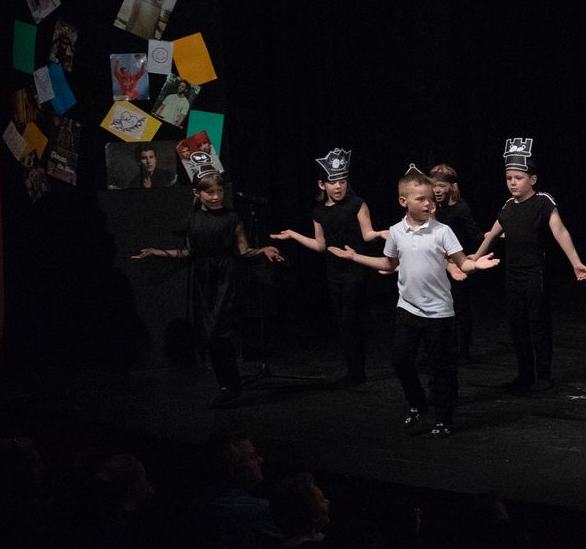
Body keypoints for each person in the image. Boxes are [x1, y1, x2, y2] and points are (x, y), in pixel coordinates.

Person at [330, 167, 497, 437]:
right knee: (400, 360)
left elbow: (462, 262)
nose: (429, 203)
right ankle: (417, 404)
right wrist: (355, 257)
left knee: (440, 368)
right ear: (403, 201)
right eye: (421, 199)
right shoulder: (396, 232)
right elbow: (388, 264)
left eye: (430, 198)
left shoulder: (443, 231)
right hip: (408, 309)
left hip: (439, 313)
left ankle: (443, 418)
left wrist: (476, 264)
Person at [131, 153, 283, 407]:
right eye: (209, 193)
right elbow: (189, 253)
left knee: (221, 332)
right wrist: (157, 252)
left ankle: (231, 384)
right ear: (197, 193)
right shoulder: (193, 220)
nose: (215, 197)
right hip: (204, 282)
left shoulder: (232, 218)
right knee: (209, 334)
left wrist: (263, 250)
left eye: (219, 192)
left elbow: (243, 251)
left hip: (226, 279)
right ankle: (227, 384)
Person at [470, 138, 586, 393]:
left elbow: (560, 232)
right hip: (512, 275)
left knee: (538, 324)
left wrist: (576, 263)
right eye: (509, 178)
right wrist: (474, 257)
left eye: (518, 178)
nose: (513, 183)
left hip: (535, 273)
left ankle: (543, 375)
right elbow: (491, 236)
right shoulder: (507, 206)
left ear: (532, 179)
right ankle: (524, 374)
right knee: (517, 324)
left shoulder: (543, 201)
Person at [268, 148, 379, 385]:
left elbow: (367, 234)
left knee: (350, 320)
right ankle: (354, 370)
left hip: (355, 270)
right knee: (343, 322)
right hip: (334, 273)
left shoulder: (357, 204)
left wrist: (383, 233)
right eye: (333, 182)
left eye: (342, 181)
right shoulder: (318, 212)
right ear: (322, 185)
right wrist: (293, 235)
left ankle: (357, 371)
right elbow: (320, 245)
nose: (338, 187)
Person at [429, 163, 481, 359]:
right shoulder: (433, 208)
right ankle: (438, 349)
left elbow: (474, 236)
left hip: (457, 265)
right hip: (436, 266)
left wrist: (492, 235)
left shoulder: (461, 208)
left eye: (441, 186)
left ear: (452, 187)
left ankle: (462, 350)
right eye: (434, 186)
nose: (437, 190)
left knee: (460, 307)